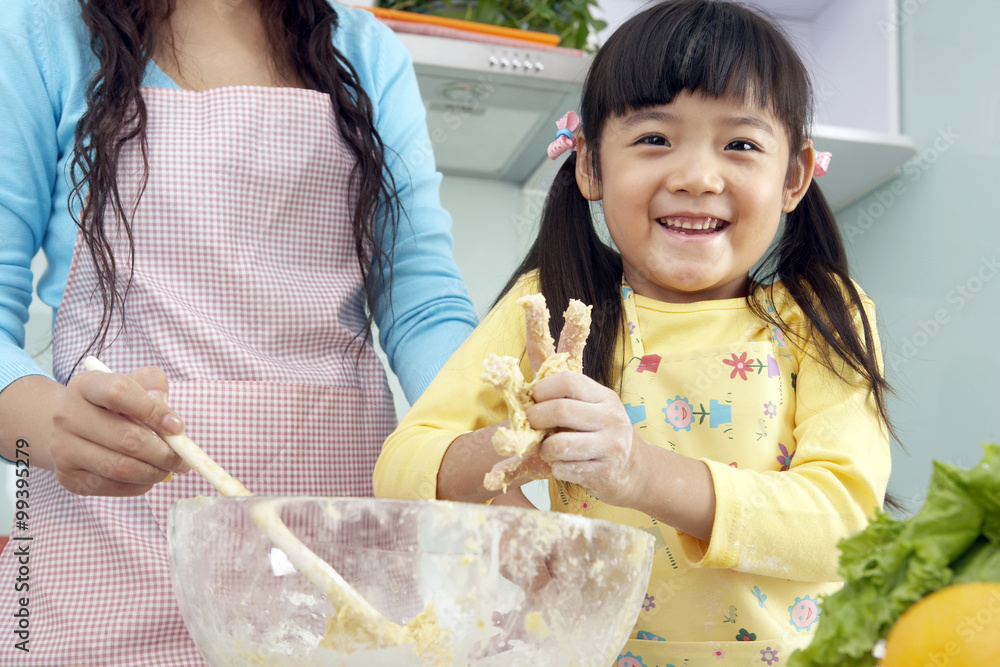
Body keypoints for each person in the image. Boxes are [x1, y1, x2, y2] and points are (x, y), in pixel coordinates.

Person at [374, 0, 893, 663]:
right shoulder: (550, 308)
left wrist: (638, 470)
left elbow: (843, 522)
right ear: (590, 164)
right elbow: (402, 466)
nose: (696, 177)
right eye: (654, 139)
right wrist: (517, 463)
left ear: (793, 175)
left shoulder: (822, 315)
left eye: (740, 144)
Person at [0, 0, 477, 662]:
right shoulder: (42, 36)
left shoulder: (367, 54)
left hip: (334, 572)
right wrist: (55, 425)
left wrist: (484, 447)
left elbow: (422, 301)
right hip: (113, 560)